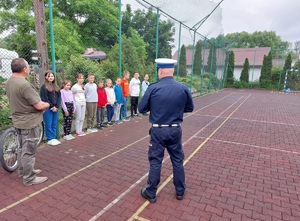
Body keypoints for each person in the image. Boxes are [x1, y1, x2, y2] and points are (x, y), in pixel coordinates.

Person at [138, 58, 194, 203]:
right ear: (173, 71)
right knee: (177, 159)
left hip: (158, 130)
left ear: (160, 71)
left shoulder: (153, 88)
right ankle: (180, 191)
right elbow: (190, 108)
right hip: (175, 129)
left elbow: (141, 108)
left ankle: (151, 192)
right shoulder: (183, 88)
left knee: (156, 160)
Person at [5, 58, 49, 186]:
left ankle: (24, 171)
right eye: (28, 67)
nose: (29, 68)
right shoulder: (24, 85)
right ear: (24, 69)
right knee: (29, 150)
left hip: (17, 121)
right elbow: (39, 105)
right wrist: (46, 104)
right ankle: (29, 178)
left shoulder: (9, 82)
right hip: (29, 123)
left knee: (21, 148)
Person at [40, 70, 61, 146]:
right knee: (48, 123)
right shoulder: (44, 87)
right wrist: (52, 107)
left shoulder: (56, 86)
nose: (51, 77)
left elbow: (59, 97)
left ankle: (54, 137)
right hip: (48, 108)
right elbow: (45, 98)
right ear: (46, 77)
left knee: (54, 123)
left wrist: (57, 106)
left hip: (56, 108)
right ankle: (50, 139)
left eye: (52, 76)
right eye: (49, 76)